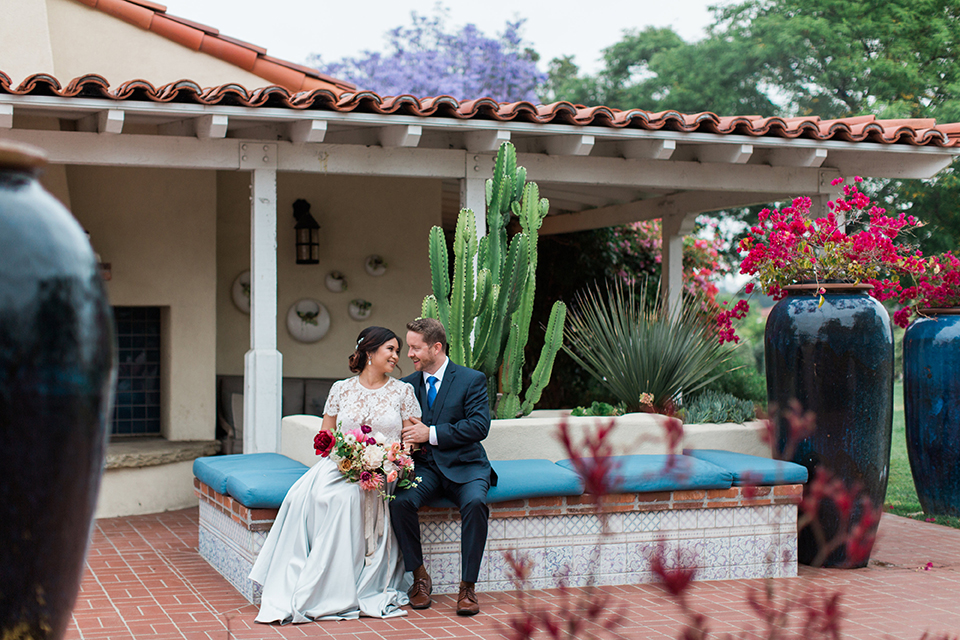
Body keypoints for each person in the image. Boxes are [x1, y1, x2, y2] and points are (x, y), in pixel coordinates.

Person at [249, 326, 421, 623]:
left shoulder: (403, 392)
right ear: (370, 352)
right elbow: (326, 435)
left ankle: (340, 587)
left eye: (397, 350)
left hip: (383, 472)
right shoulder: (341, 389)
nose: (397, 355)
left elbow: (412, 439)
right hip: (341, 465)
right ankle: (309, 580)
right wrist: (348, 457)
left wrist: (392, 460)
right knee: (307, 496)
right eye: (390, 349)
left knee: (346, 499)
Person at [389, 317, 497, 616]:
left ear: (436, 347)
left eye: (415, 348)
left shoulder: (471, 379)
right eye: (408, 347)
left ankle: (468, 587)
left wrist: (431, 434)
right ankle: (419, 577)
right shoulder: (405, 386)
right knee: (400, 502)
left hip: (466, 466)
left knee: (476, 503)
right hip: (425, 469)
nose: (408, 354)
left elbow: (479, 426)